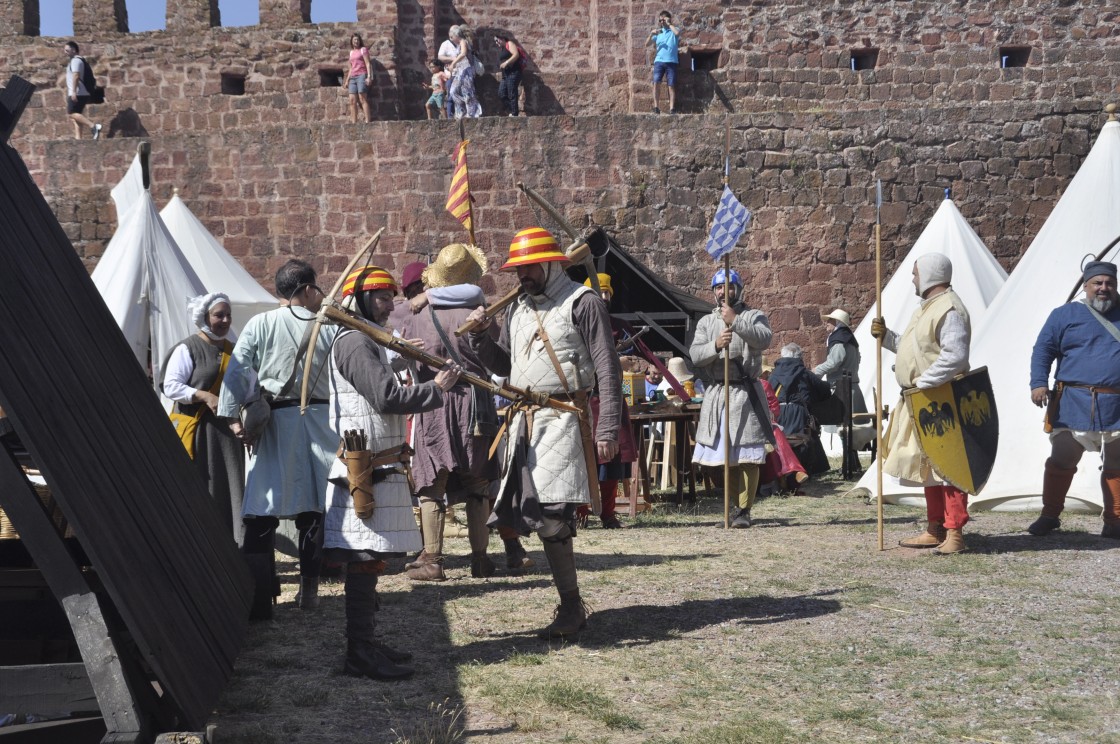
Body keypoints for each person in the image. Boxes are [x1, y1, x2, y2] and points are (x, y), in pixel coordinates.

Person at [465, 227, 623, 638]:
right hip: (524, 422)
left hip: (564, 417)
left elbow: (608, 367)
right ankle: (570, 604)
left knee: (552, 514)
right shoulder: (516, 308)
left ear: (552, 263)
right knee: (534, 514)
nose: (522, 275)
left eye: (529, 267)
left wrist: (607, 426)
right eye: (518, 269)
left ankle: (571, 606)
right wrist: (482, 336)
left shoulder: (583, 302)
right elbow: (505, 365)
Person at [323, 265, 462, 681]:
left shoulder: (367, 340)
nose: (388, 304)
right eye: (380, 297)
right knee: (364, 559)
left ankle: (365, 642)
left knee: (372, 558)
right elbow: (385, 396)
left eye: (391, 296)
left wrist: (398, 354)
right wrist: (437, 388)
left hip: (377, 464)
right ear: (360, 299)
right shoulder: (353, 342)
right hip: (365, 470)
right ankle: (359, 652)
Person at [395, 243, 529, 578]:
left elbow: (399, 348)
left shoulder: (418, 314)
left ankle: (433, 562)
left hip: (434, 401)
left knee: (431, 485)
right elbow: (498, 358)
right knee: (477, 484)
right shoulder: (481, 314)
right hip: (475, 403)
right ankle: (481, 559)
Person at [217, 259, 337, 618]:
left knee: (260, 513)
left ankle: (259, 601)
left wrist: (233, 419)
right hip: (320, 422)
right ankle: (309, 593)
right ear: (307, 289)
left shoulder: (261, 324)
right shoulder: (328, 326)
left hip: (277, 423)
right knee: (312, 509)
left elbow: (238, 373)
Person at [871, 253, 972, 555]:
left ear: (928, 275)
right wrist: (887, 337)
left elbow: (955, 356)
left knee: (950, 468)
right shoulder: (926, 309)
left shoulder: (950, 309)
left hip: (941, 400)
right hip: (923, 401)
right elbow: (915, 349)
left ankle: (954, 532)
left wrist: (924, 384)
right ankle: (935, 527)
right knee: (929, 467)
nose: (913, 278)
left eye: (915, 273)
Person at [1028, 260, 1120, 539]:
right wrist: (1038, 383)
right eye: (1097, 283)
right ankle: (1050, 515)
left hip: (1115, 403)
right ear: (1086, 286)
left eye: (1109, 283)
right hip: (1072, 401)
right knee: (1062, 459)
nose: (1104, 288)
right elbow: (1043, 349)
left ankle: (1115, 520)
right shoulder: (1064, 314)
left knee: (1117, 463)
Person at [689, 268, 773, 528]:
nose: (723, 292)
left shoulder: (754, 316)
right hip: (717, 393)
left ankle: (744, 510)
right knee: (725, 456)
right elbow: (695, 354)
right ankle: (731, 507)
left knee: (748, 453)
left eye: (728, 287)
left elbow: (763, 340)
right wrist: (715, 345)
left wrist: (736, 321)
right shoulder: (706, 322)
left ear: (739, 288)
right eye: (718, 288)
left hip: (745, 392)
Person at [160, 293, 246, 545]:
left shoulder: (235, 349)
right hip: (198, 431)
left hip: (227, 433)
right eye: (219, 315)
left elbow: (248, 386)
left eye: (228, 315)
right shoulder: (188, 347)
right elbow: (171, 385)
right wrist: (203, 395)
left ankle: (230, 545)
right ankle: (197, 542)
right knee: (200, 486)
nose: (225, 320)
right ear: (204, 317)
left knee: (229, 487)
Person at [578, 273, 638, 529]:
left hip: (611, 397)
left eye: (607, 292)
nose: (603, 297)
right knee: (581, 457)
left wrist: (624, 360)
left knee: (611, 458)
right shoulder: (575, 325)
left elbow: (637, 361)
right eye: (598, 292)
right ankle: (579, 512)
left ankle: (609, 513)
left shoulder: (619, 325)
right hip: (585, 398)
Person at [769, 343, 832, 477]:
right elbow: (823, 389)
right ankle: (810, 469)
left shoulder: (773, 375)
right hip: (798, 412)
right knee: (807, 435)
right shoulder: (804, 373)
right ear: (799, 357)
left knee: (785, 439)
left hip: (779, 413)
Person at [64, 41, 101, 140]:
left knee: (72, 113)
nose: (65, 52)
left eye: (67, 50)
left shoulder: (76, 60)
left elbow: (76, 76)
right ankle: (78, 139)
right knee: (77, 116)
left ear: (73, 50)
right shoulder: (78, 60)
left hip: (78, 92)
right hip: (81, 92)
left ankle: (93, 126)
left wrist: (74, 92)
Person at [645, 10, 680, 114]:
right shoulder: (659, 33)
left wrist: (669, 24)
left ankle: (672, 108)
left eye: (663, 19)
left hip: (672, 61)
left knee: (671, 85)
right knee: (656, 83)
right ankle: (656, 107)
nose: (662, 22)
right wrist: (651, 34)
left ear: (668, 19)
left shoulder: (674, 30)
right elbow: (646, 44)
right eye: (660, 20)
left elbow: (677, 33)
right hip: (659, 61)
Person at [448, 26, 482, 119]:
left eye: (451, 37)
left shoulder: (463, 41)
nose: (450, 39)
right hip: (460, 71)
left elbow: (463, 53)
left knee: (467, 91)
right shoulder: (459, 44)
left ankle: (471, 113)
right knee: (453, 91)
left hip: (467, 70)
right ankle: (461, 110)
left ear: (456, 35)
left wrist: (453, 63)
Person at [344, 33, 373, 123]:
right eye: (354, 40)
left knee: (362, 98)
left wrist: (369, 77)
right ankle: (354, 122)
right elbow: (351, 68)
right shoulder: (351, 52)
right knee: (352, 100)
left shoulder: (363, 50)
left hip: (361, 75)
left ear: (360, 41)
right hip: (353, 77)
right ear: (352, 42)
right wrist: (347, 80)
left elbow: (368, 63)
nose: (356, 41)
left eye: (357, 40)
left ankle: (367, 121)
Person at [495, 34, 523, 117]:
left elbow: (516, 54)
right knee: (501, 93)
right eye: (495, 41)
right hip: (505, 75)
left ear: (502, 38)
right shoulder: (503, 48)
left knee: (512, 93)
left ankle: (514, 113)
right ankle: (513, 109)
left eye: (497, 40)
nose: (496, 43)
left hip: (513, 72)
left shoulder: (509, 43)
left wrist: (506, 63)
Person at [437, 26, 461, 120]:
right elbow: (440, 57)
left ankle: (462, 116)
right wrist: (453, 59)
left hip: (462, 73)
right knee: (451, 96)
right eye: (457, 33)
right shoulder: (445, 44)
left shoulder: (461, 43)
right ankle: (450, 118)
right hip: (450, 74)